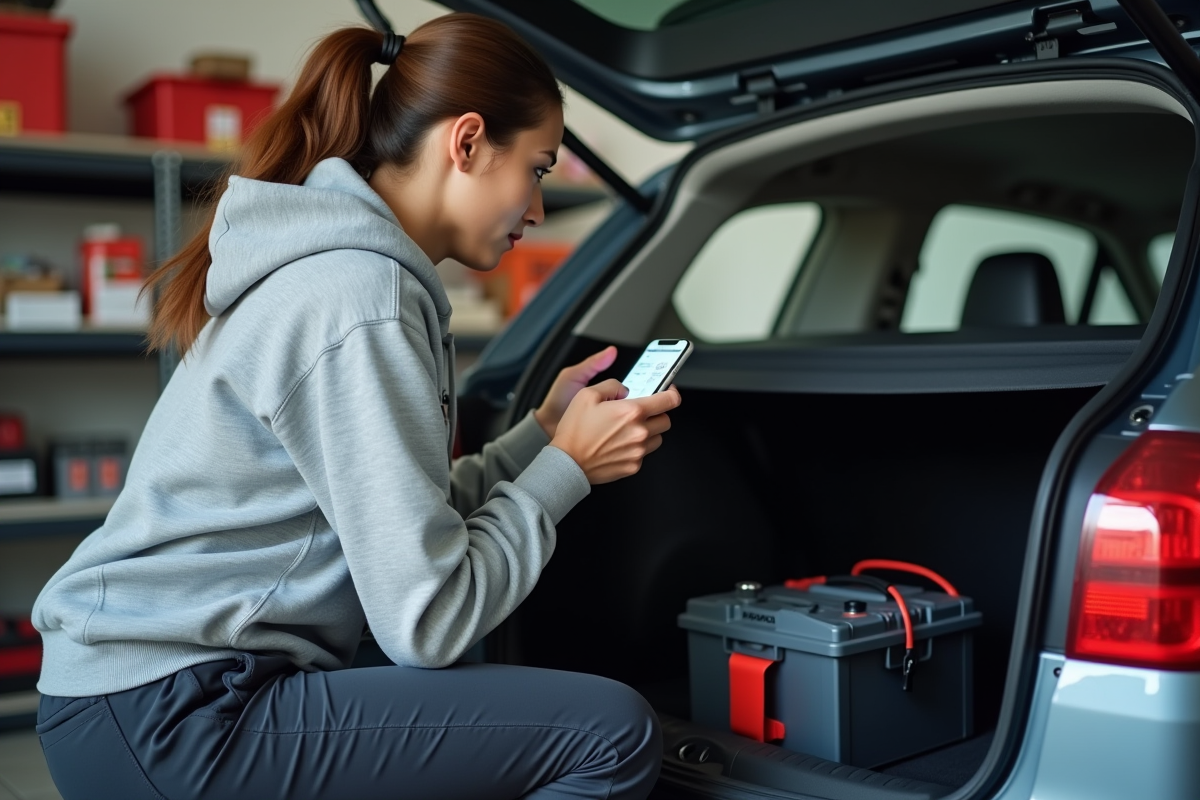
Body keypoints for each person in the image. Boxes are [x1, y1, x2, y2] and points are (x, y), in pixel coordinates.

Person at [31, 14, 680, 800]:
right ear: (467, 142)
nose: (537, 207)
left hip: (144, 696)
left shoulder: (351, 276)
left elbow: (398, 523)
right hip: (174, 712)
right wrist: (567, 470)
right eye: (537, 170)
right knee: (609, 733)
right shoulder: (360, 298)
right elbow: (429, 620)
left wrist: (540, 438)